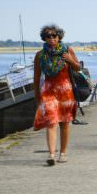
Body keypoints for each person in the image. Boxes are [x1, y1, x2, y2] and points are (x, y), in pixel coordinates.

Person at [33, 24, 81, 166]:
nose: (51, 38)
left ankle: (63, 153)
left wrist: (70, 60)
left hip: (66, 91)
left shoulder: (67, 50)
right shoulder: (40, 55)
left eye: (54, 35)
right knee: (51, 122)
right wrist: (37, 96)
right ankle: (52, 155)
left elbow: (78, 68)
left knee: (65, 123)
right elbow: (36, 78)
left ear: (59, 37)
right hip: (48, 91)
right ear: (44, 38)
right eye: (48, 36)